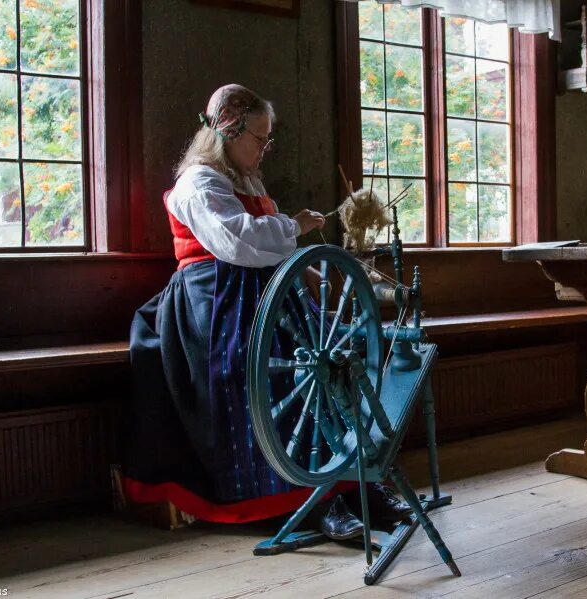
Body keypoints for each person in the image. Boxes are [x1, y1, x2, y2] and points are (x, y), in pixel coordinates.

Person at [121, 84, 410, 538]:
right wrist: (292, 226)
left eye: (267, 137)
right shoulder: (199, 182)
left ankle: (353, 485)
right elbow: (237, 242)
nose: (265, 147)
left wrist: (301, 267)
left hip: (264, 296)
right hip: (214, 306)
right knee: (261, 377)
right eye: (260, 137)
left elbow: (261, 246)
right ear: (228, 134)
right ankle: (304, 500)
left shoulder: (244, 180)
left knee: (331, 369)